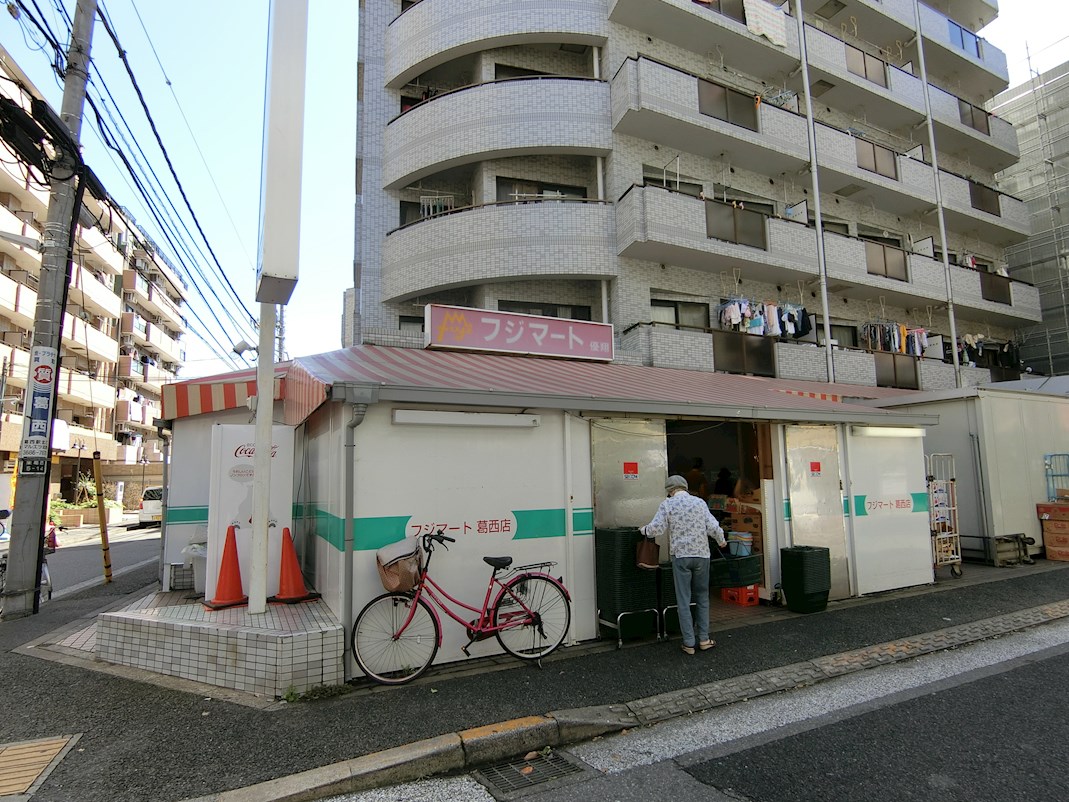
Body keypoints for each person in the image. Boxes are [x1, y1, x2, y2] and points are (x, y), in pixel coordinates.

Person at [640, 475, 727, 655]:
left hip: (681, 556)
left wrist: (643, 530)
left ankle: (689, 643)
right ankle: (704, 639)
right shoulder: (700, 503)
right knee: (702, 597)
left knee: (683, 600)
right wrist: (721, 540)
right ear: (685, 487)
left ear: (670, 490)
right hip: (702, 555)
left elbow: (656, 528)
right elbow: (713, 526)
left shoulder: (668, 504)